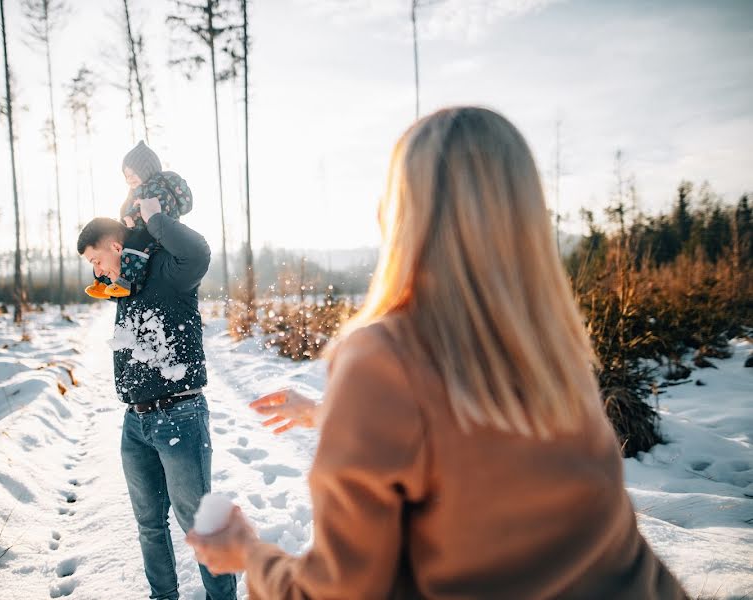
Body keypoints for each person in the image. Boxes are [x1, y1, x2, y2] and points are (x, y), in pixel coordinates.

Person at [186, 107, 688, 599]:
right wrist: (326, 414)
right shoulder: (550, 349)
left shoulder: (383, 357)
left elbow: (339, 592)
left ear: (401, 213)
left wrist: (249, 554)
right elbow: (473, 438)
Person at [77, 199, 236, 600]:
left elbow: (198, 252)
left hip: (180, 415)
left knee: (199, 523)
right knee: (149, 524)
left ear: (114, 247)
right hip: (136, 423)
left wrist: (155, 219)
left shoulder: (168, 271)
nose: (97, 272)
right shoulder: (125, 286)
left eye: (96, 260)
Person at [85, 141, 194, 299]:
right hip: (141, 230)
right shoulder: (136, 191)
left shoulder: (158, 188)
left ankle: (129, 283)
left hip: (157, 234)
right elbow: (128, 207)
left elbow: (159, 210)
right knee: (111, 250)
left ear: (145, 170)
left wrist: (137, 216)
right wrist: (126, 219)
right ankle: (103, 283)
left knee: (133, 246)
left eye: (132, 174)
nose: (128, 179)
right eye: (126, 175)